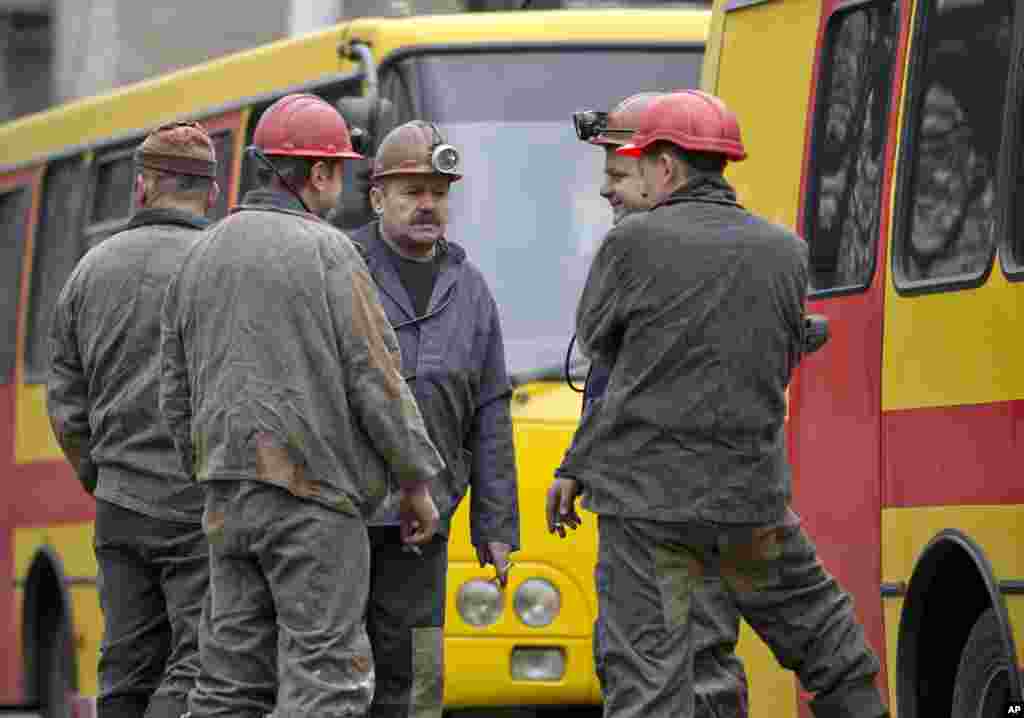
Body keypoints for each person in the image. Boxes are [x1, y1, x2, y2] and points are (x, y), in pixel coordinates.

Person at [546, 90, 889, 718]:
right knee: (830, 646)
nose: (623, 181)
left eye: (636, 163)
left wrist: (578, 464)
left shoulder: (632, 246)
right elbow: (782, 354)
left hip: (648, 511)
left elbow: (600, 346)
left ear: (667, 168)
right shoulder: (784, 251)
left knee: (648, 681)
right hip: (749, 505)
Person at [160, 94, 445, 718]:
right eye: (339, 171)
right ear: (317, 173)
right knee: (326, 677)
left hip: (228, 498)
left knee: (229, 681)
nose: (340, 187)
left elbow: (173, 390)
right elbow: (376, 377)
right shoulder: (329, 252)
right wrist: (414, 479)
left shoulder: (202, 253)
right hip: (313, 500)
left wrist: (211, 470)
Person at [570, 92, 749, 716]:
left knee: (647, 664)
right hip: (718, 495)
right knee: (702, 658)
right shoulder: (741, 251)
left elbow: (619, 373)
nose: (606, 191)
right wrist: (575, 466)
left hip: (655, 499)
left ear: (662, 170)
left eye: (617, 174)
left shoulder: (647, 257)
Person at [48, 121, 221, 718]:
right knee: (195, 660)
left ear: (142, 187)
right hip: (196, 503)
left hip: (119, 503)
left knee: (124, 663)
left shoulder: (89, 270)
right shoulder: (220, 266)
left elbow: (66, 397)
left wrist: (100, 474)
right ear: (213, 193)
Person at [348, 120, 520, 718]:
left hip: (425, 526)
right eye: (412, 192)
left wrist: (495, 527)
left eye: (439, 193)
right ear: (377, 198)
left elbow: (491, 409)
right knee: (340, 673)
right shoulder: (339, 269)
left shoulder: (468, 288)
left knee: (420, 675)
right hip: (342, 519)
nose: (428, 205)